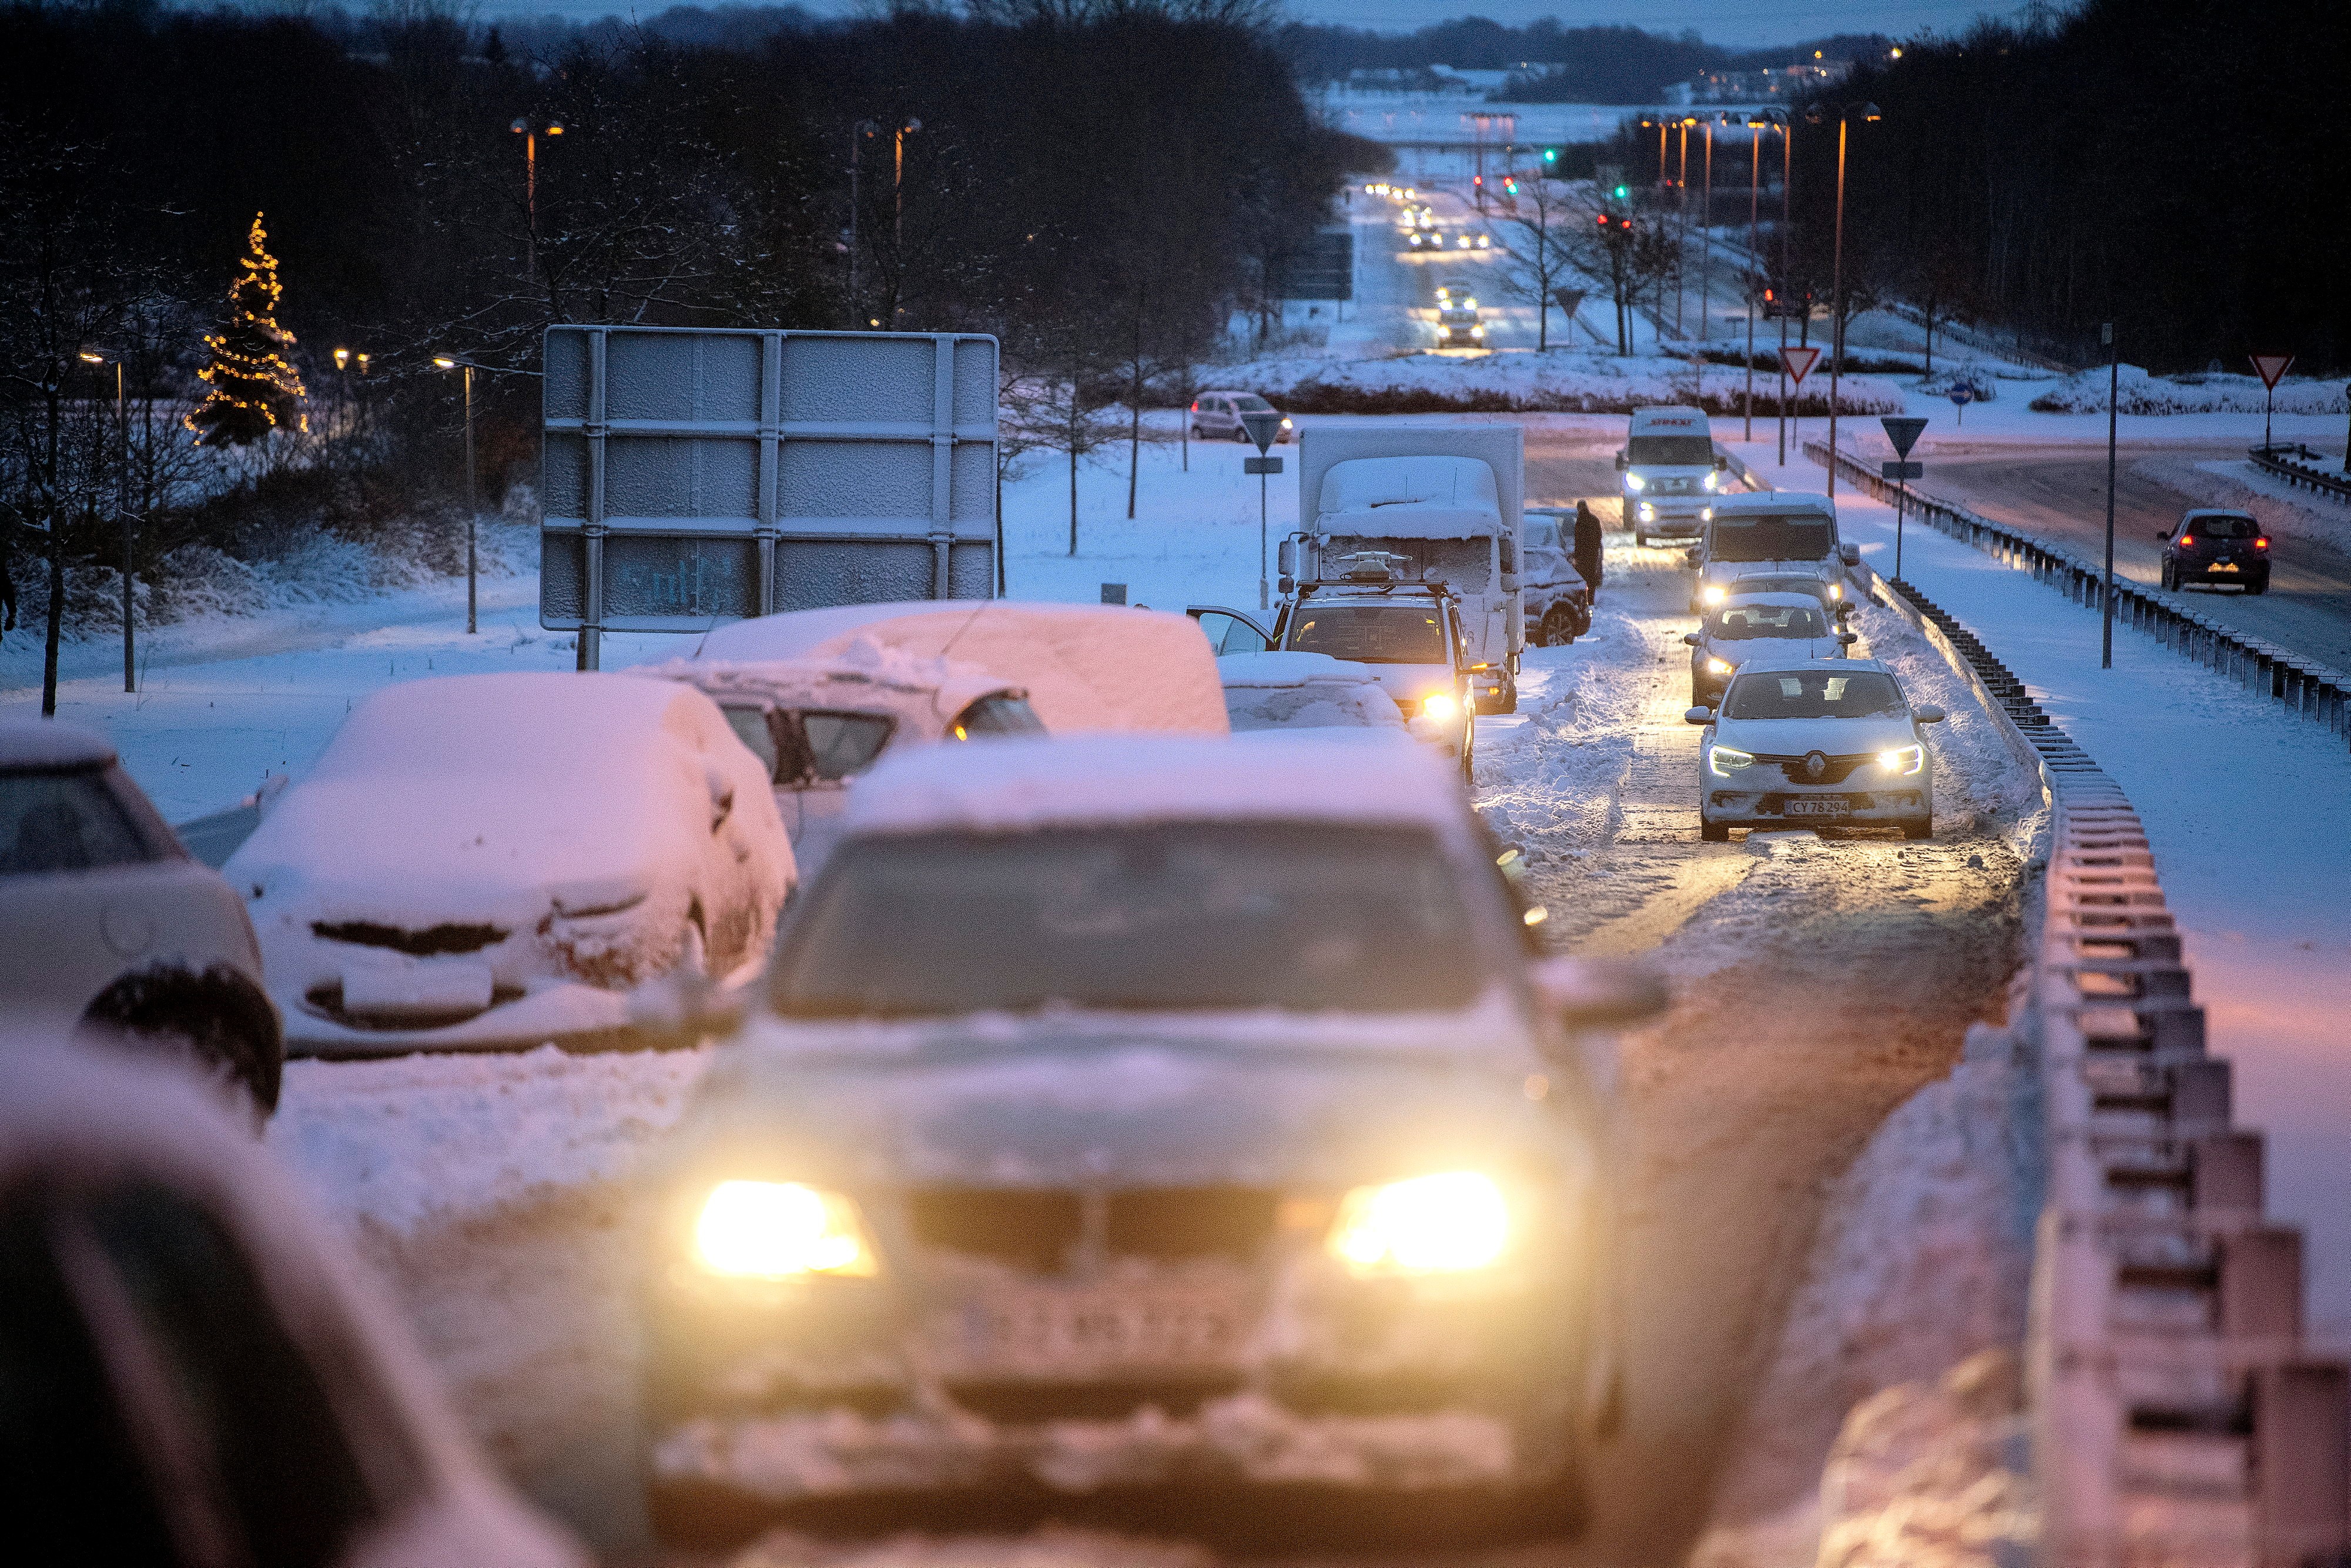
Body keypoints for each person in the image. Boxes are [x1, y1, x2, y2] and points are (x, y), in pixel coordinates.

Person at [1572, 500, 1604, 603]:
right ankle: (1591, 600)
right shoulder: (1594, 520)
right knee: (1591, 577)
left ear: (1579, 508)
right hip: (1592, 554)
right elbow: (1599, 536)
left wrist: (1577, 555)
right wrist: (1595, 549)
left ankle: (1583, 600)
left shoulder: (1580, 521)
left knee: (1582, 578)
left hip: (1582, 555)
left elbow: (1578, 540)